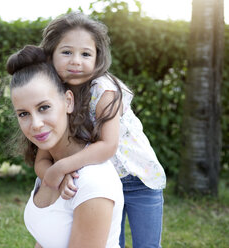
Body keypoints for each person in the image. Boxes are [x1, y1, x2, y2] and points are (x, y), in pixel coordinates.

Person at [34, 12, 167, 248]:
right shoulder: (53, 93)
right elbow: (43, 156)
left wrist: (63, 166)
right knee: (110, 242)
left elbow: (108, 146)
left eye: (85, 54)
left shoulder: (104, 91)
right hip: (101, 182)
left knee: (147, 245)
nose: (76, 61)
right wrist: (54, 174)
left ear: (97, 58)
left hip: (138, 180)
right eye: (66, 52)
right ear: (50, 54)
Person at [6, 45, 124, 248]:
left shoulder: (92, 182)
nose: (35, 124)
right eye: (23, 114)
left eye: (44, 108)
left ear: (68, 101)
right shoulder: (50, 165)